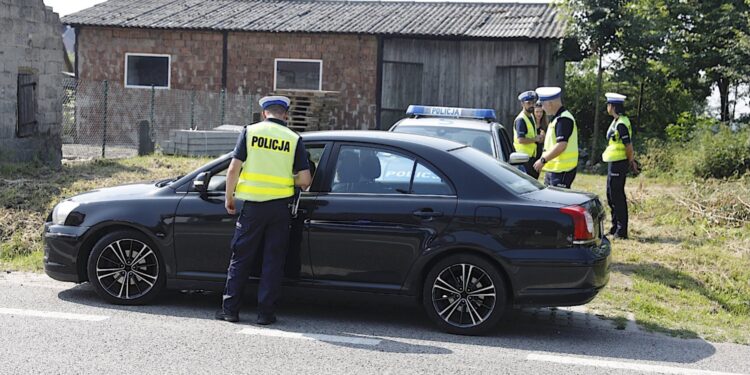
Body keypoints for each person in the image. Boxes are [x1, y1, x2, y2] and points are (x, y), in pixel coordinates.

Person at [215, 95, 312, 325]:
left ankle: (230, 310)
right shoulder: (293, 138)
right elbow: (305, 180)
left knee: (241, 258)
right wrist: (285, 179)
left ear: (263, 113)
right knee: (273, 261)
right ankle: (265, 314)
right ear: (285, 115)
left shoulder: (250, 132)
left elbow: (232, 170)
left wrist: (229, 199)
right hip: (280, 209)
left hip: (252, 208)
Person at [602, 92, 639, 239]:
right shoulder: (617, 121)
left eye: (608, 104)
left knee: (617, 196)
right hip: (614, 162)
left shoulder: (622, 123)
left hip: (619, 163)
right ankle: (614, 227)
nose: (607, 107)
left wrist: (631, 161)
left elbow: (628, 145)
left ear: (612, 106)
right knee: (611, 195)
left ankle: (621, 231)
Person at [532, 87, 579, 188]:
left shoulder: (563, 119)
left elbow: (561, 145)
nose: (543, 109)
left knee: (558, 202)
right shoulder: (557, 118)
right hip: (555, 170)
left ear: (550, 103)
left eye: (543, 105)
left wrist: (543, 160)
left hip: (562, 171)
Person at [513, 90, 544, 178]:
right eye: (528, 103)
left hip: (531, 158)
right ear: (522, 104)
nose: (531, 105)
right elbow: (521, 140)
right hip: (523, 160)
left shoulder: (531, 117)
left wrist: (539, 137)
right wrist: (535, 139)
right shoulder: (521, 120)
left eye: (533, 103)